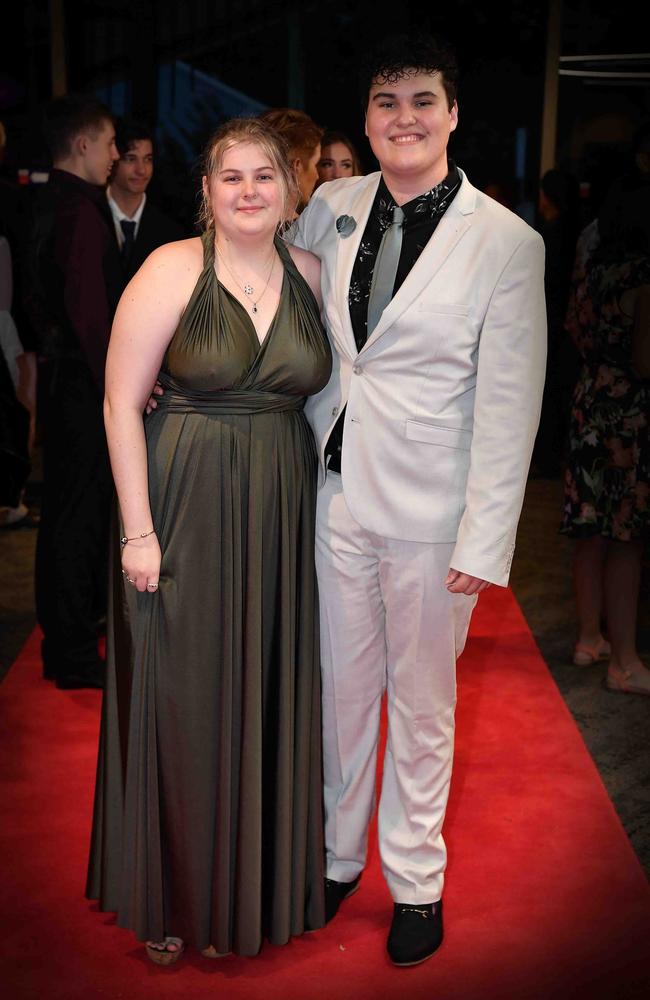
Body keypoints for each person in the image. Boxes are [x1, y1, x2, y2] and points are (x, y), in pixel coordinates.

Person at [292, 33, 547, 966]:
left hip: (435, 514)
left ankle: (416, 881)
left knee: (424, 704)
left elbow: (511, 405)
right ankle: (335, 853)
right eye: (386, 101)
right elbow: (269, 294)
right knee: (343, 690)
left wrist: (485, 540)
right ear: (365, 117)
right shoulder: (330, 205)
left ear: (452, 114)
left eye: (421, 101)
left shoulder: (507, 243)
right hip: (334, 492)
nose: (403, 118)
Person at [86, 117, 332, 963]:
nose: (250, 191)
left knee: (264, 691)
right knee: (183, 700)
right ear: (206, 190)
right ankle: (175, 900)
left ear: (289, 187)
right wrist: (138, 533)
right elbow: (121, 403)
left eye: (266, 175)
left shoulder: (311, 272)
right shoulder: (169, 270)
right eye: (232, 177)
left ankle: (250, 896)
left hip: (283, 513)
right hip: (183, 506)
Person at [26, 95, 121, 689]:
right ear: (83, 144)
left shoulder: (49, 201)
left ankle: (66, 644)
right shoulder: (80, 211)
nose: (117, 155)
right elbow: (90, 316)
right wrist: (122, 387)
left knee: (63, 516)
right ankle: (75, 651)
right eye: (111, 143)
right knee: (79, 519)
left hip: (64, 380)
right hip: (83, 387)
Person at [561, 186, 650, 695]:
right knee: (626, 539)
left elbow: (574, 329)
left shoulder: (593, 275)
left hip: (588, 402)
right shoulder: (642, 278)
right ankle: (625, 661)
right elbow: (644, 360)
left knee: (589, 530)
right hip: (627, 416)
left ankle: (588, 638)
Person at [107, 119, 184, 283]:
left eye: (147, 159)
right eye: (130, 159)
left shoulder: (170, 232)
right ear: (113, 159)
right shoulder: (90, 215)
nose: (141, 170)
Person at [257, 107, 323, 216]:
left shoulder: (236, 224)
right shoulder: (311, 231)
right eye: (315, 164)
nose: (317, 176)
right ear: (296, 167)